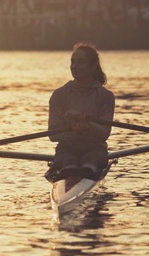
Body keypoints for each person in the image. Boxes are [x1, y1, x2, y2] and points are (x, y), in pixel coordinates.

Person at [48, 42, 115, 181]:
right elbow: (53, 134)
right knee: (69, 162)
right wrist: (73, 129)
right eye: (72, 62)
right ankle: (69, 174)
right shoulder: (59, 95)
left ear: (92, 66)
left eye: (80, 62)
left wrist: (85, 121)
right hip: (66, 150)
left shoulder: (106, 96)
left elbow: (104, 134)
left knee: (90, 161)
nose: (74, 66)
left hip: (95, 149)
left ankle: (87, 172)